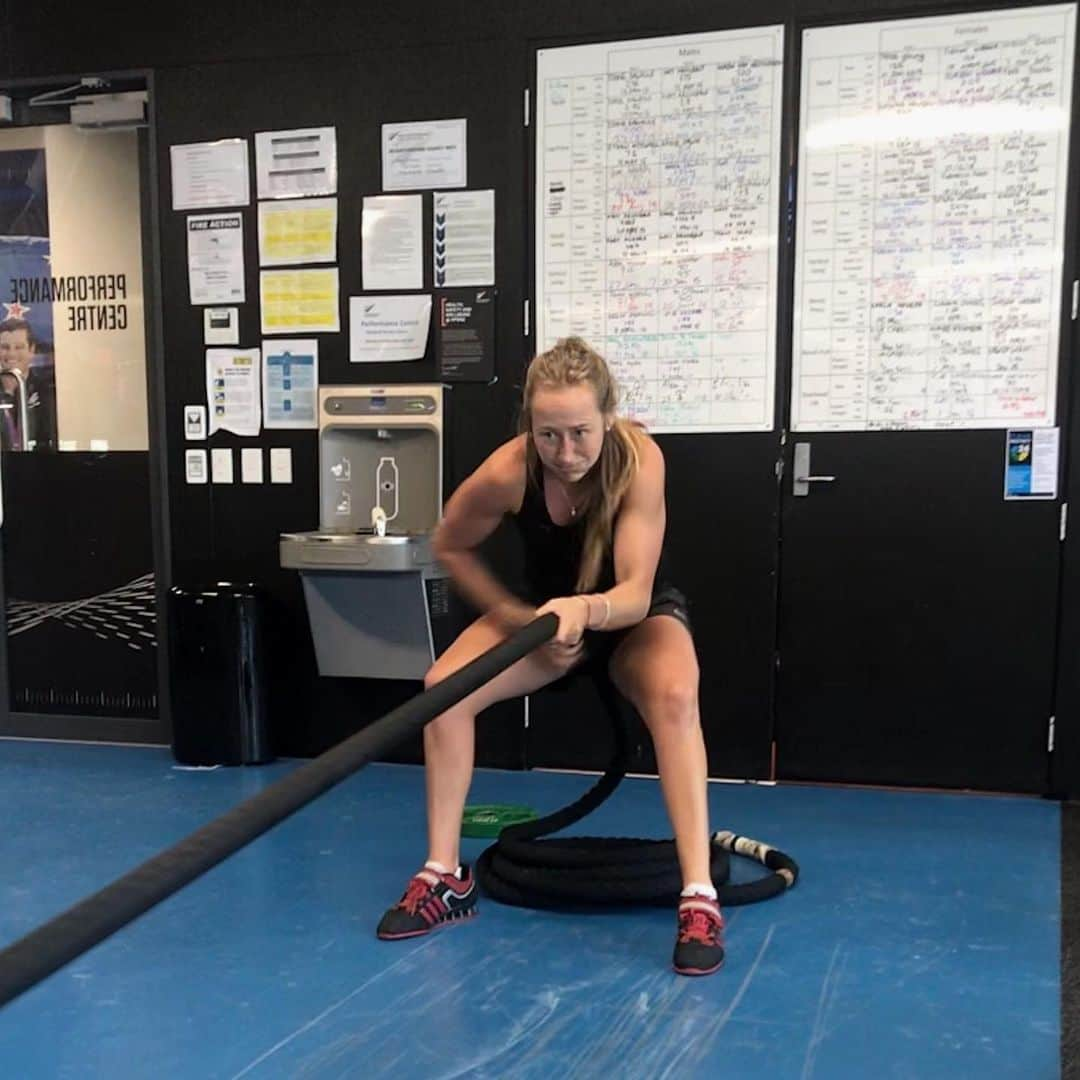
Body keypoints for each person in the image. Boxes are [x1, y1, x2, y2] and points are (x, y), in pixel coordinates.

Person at [376, 336, 724, 977]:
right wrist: (516, 618)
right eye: (549, 435)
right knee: (442, 689)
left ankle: (699, 894)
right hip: (545, 622)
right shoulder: (511, 470)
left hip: (630, 619)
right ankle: (445, 876)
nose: (566, 454)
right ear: (529, 428)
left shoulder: (639, 460)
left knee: (676, 694)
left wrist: (582, 611)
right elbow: (449, 545)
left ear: (608, 418)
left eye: (581, 433)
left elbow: (634, 592)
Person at [0, 318, 56, 451]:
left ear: (31, 350)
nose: (11, 354)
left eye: (19, 347)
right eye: (4, 347)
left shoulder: (47, 391)